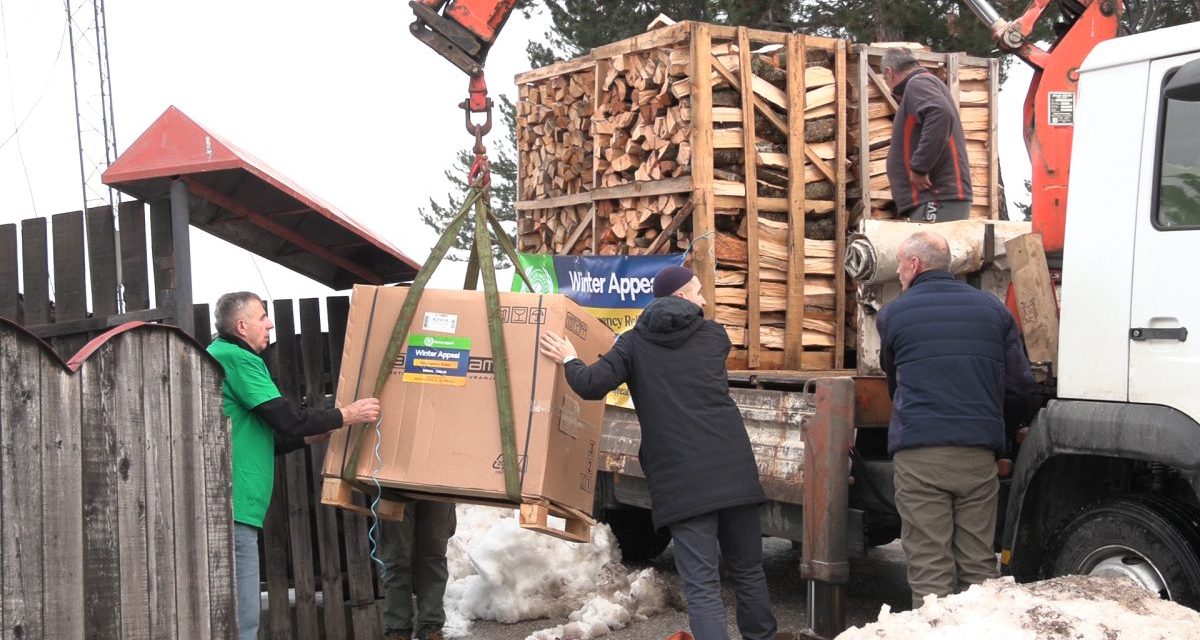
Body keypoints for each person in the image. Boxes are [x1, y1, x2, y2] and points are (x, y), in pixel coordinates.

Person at [539, 265, 778, 640]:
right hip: (733, 472)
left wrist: (569, 356)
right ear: (681, 297)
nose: (704, 299)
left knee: (701, 584)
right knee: (748, 571)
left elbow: (590, 385)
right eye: (698, 292)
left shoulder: (632, 344)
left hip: (681, 481)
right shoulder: (714, 337)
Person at [207, 291, 381, 640]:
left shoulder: (223, 356)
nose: (270, 324)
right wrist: (347, 415)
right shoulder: (236, 358)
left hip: (236, 503)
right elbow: (287, 418)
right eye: (262, 317)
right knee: (243, 617)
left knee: (236, 610)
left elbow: (264, 434)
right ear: (242, 326)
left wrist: (310, 436)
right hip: (234, 503)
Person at [876, 232, 1035, 608]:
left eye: (899, 264)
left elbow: (895, 383)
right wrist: (1001, 434)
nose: (898, 272)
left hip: (920, 456)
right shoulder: (994, 310)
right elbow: (1020, 387)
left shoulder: (894, 314)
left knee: (930, 571)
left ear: (914, 265)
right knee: (979, 568)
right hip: (977, 456)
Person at [881, 47, 973, 222]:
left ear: (889, 73)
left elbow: (940, 113)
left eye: (885, 80)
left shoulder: (917, 84)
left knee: (931, 249)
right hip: (935, 198)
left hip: (936, 197)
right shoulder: (925, 83)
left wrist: (919, 167)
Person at [381, 500, 457, 640]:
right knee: (396, 558)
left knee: (433, 555)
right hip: (392, 486)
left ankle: (431, 629)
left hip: (438, 485)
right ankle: (397, 632)